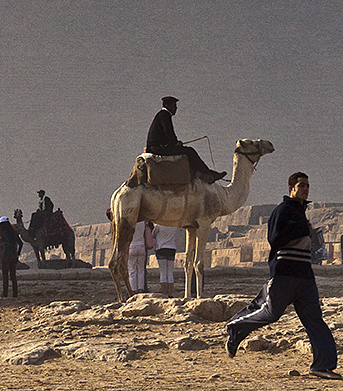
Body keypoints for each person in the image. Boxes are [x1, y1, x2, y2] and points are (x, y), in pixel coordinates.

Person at [225, 172, 341, 380]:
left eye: (307, 185)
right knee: (271, 314)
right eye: (301, 185)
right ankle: (235, 327)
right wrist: (301, 228)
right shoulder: (283, 210)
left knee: (315, 320)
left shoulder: (300, 213)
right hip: (285, 274)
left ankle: (322, 365)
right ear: (291, 189)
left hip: (305, 277)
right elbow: (275, 238)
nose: (306, 189)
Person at [146, 96, 226, 183]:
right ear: (167, 105)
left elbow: (166, 134)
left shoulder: (162, 115)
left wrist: (174, 143)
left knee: (187, 151)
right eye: (174, 105)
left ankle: (205, 173)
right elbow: (168, 131)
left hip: (158, 146)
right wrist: (175, 143)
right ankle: (207, 174)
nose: (176, 108)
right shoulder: (165, 115)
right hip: (158, 148)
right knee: (190, 151)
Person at [0, 216, 23, 298]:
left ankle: (5, 294)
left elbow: (7, 244)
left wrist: (5, 254)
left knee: (5, 276)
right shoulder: (14, 232)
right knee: (13, 276)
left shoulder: (4, 232)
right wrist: (17, 253)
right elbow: (21, 243)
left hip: (7, 256)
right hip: (14, 255)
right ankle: (14, 295)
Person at [152, 224, 180, 297]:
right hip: (171, 248)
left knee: (163, 272)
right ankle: (170, 293)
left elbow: (153, 235)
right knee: (170, 272)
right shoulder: (174, 225)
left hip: (161, 248)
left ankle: (164, 293)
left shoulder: (159, 225)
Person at [128, 221, 147, 293]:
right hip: (141, 245)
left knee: (132, 270)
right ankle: (140, 288)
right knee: (141, 270)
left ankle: (133, 289)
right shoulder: (143, 222)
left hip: (132, 246)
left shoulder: (130, 223)